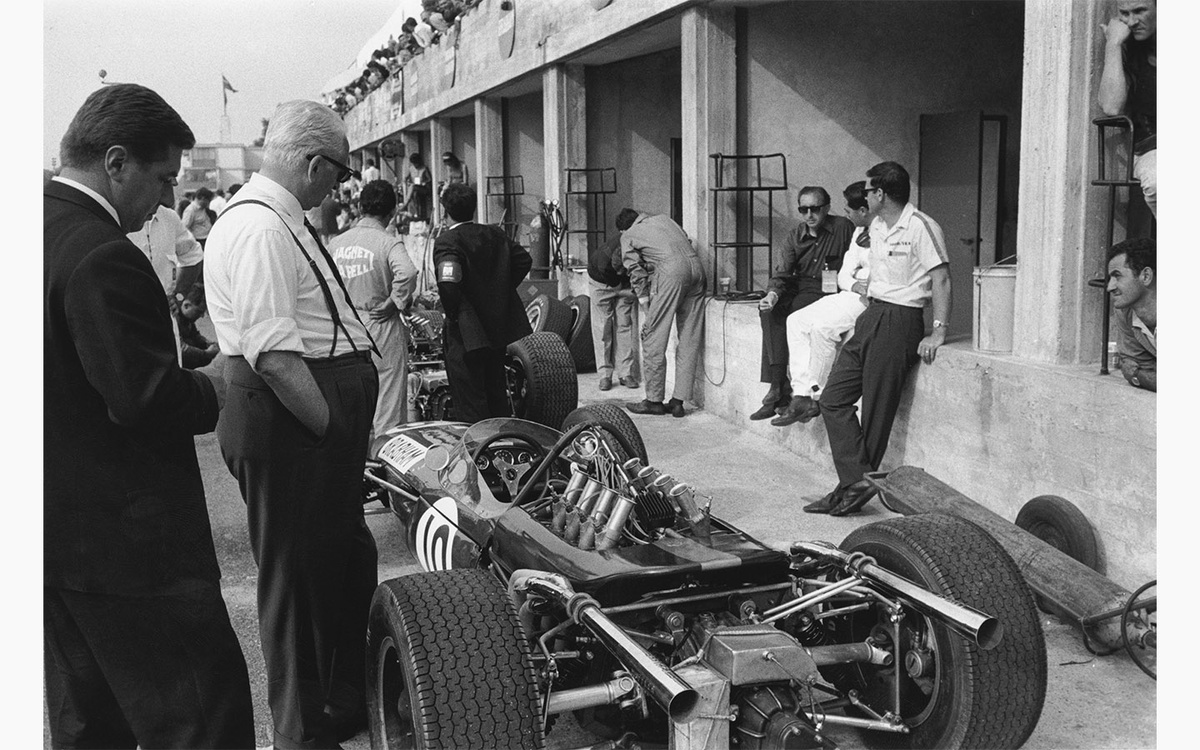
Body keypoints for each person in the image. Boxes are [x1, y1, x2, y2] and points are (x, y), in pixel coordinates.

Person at [44, 83, 254, 749]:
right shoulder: (101, 250)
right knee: (200, 718)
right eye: (162, 178)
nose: (167, 200)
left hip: (56, 541)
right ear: (115, 162)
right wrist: (214, 384)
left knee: (89, 724)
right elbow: (142, 399)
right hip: (133, 552)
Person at [204, 99, 379, 749]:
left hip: (310, 414)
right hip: (294, 420)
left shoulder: (283, 218)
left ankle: (340, 699)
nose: (340, 184)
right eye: (338, 171)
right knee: (297, 584)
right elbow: (276, 358)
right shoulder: (259, 227)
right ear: (313, 163)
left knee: (343, 561)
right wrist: (330, 427)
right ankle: (302, 733)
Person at [806, 162, 951, 517]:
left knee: (876, 412)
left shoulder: (921, 226)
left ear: (881, 194)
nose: (864, 195)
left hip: (900, 320)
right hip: (871, 314)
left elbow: (942, 279)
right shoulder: (877, 225)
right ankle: (855, 482)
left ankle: (848, 490)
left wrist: (938, 330)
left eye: (868, 191)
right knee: (833, 398)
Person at [773, 182, 873, 426]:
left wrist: (863, 282)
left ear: (863, 210)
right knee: (795, 320)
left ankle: (817, 394)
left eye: (850, 209)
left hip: (871, 298)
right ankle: (800, 395)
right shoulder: (859, 233)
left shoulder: (882, 233)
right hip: (851, 292)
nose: (846, 213)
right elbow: (843, 275)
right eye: (803, 210)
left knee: (822, 329)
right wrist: (856, 282)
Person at [751, 187, 855, 421]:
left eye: (815, 209)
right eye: (803, 209)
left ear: (827, 208)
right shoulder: (794, 235)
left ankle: (783, 392)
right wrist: (772, 295)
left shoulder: (842, 228)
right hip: (800, 286)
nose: (809, 215)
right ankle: (778, 388)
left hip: (827, 291)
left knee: (796, 315)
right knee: (769, 312)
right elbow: (783, 272)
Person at [433, 182, 532, 423]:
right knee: (495, 389)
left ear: (445, 212)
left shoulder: (448, 240)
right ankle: (501, 443)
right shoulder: (494, 233)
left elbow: (449, 282)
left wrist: (455, 311)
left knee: (469, 397)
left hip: (465, 332)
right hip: (496, 328)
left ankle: (477, 450)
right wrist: (498, 291)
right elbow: (523, 260)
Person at [331, 179, 420, 436]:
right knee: (388, 399)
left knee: (349, 399)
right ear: (392, 213)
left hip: (345, 328)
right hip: (380, 325)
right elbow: (408, 272)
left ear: (359, 207)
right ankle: (385, 458)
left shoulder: (336, 244)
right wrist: (395, 301)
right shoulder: (387, 242)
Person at [617, 208, 706, 418]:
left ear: (623, 229)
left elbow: (635, 271)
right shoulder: (665, 219)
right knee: (689, 338)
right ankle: (678, 402)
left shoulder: (629, 235)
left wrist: (645, 302)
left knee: (652, 337)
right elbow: (685, 241)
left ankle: (654, 401)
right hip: (698, 270)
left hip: (672, 273)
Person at [128, 201, 205, 364]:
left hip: (164, 328)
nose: (170, 197)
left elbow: (193, 255)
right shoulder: (110, 216)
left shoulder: (168, 217)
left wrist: (178, 296)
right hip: (126, 328)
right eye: (164, 180)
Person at [1098, 0, 1156, 217]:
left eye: (1140, 11)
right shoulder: (1126, 47)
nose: (1132, 22)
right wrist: (1113, 44)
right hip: (1152, 149)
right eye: (1124, 13)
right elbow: (1111, 107)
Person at [587, 234, 641, 391]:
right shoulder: (604, 264)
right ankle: (605, 375)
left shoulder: (635, 251)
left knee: (624, 325)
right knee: (603, 327)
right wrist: (623, 291)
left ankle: (625, 373)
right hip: (601, 283)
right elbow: (615, 286)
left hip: (624, 282)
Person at [1106, 237, 1156, 391]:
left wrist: (1136, 376)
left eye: (1117, 276)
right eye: (1110, 278)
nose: (1109, 287)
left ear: (1146, 276)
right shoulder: (1124, 312)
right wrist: (1138, 374)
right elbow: (1135, 365)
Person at [177, 282, 221, 368]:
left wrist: (207, 343)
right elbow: (180, 348)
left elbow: (194, 335)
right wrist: (206, 353)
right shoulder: (173, 319)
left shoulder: (186, 318)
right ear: (186, 305)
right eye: (199, 312)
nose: (202, 316)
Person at [404, 152, 432, 222]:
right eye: (413, 163)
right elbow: (405, 179)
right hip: (415, 188)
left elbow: (429, 179)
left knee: (413, 187)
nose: (415, 165)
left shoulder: (424, 168)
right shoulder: (411, 169)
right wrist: (407, 183)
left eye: (416, 163)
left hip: (423, 188)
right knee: (414, 192)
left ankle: (406, 203)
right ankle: (417, 215)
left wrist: (424, 182)